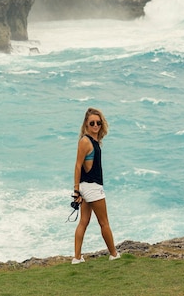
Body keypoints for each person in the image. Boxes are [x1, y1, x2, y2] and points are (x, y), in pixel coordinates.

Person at [71, 107, 120, 264]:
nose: (95, 125)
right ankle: (114, 254)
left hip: (87, 187)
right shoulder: (85, 142)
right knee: (104, 222)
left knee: (84, 221)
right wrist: (76, 190)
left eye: (98, 122)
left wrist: (79, 190)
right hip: (92, 187)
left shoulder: (93, 141)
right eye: (92, 123)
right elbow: (78, 166)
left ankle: (77, 258)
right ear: (86, 124)